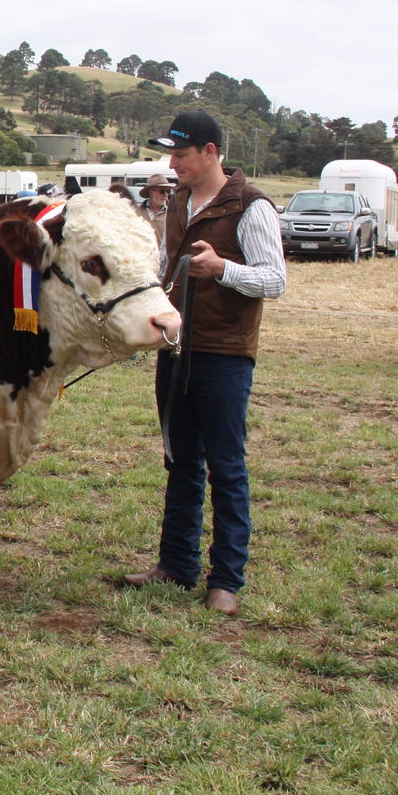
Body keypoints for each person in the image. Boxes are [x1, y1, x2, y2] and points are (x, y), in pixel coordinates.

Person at [123, 111, 285, 616]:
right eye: (171, 155)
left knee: (227, 468)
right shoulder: (175, 204)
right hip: (176, 351)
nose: (173, 165)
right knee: (180, 462)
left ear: (211, 152)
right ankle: (176, 564)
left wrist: (225, 270)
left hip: (224, 356)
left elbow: (275, 280)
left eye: (182, 155)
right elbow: (166, 267)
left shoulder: (251, 207)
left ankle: (226, 581)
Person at [139, 172, 174, 258]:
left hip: (165, 264)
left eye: (168, 191)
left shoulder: (173, 214)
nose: (166, 194)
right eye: (162, 191)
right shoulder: (136, 213)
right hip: (143, 262)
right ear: (151, 193)